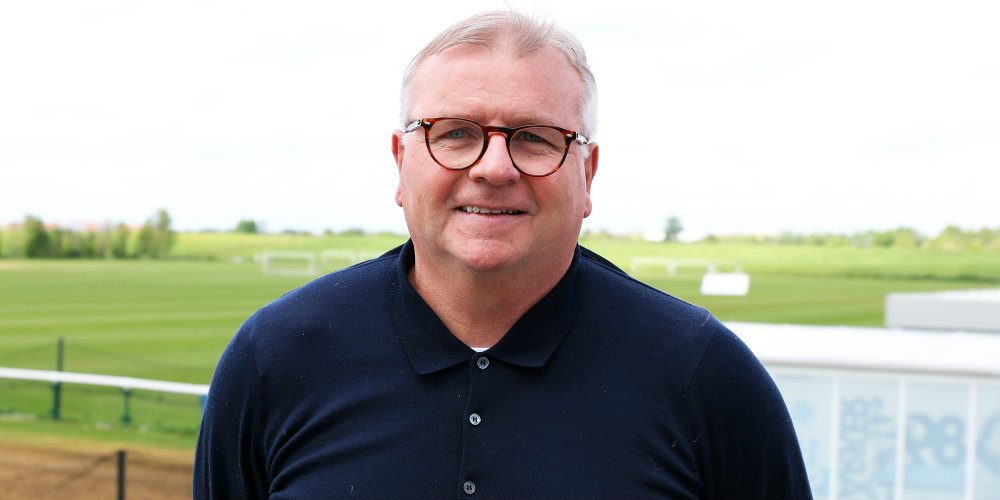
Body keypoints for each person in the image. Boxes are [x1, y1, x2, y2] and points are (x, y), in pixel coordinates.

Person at [194, 10, 812, 499]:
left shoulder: (704, 375)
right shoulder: (274, 359)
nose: (493, 168)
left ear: (587, 173)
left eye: (535, 138)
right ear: (400, 163)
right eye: (455, 133)